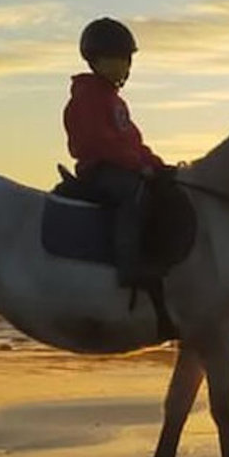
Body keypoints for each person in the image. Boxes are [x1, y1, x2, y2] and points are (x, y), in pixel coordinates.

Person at [63, 17, 167, 285]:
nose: (122, 64)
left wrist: (156, 164)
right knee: (134, 195)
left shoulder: (114, 99)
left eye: (124, 58)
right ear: (95, 60)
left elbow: (131, 141)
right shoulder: (87, 96)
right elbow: (101, 142)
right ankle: (128, 267)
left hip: (122, 165)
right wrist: (138, 166)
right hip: (100, 169)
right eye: (114, 57)